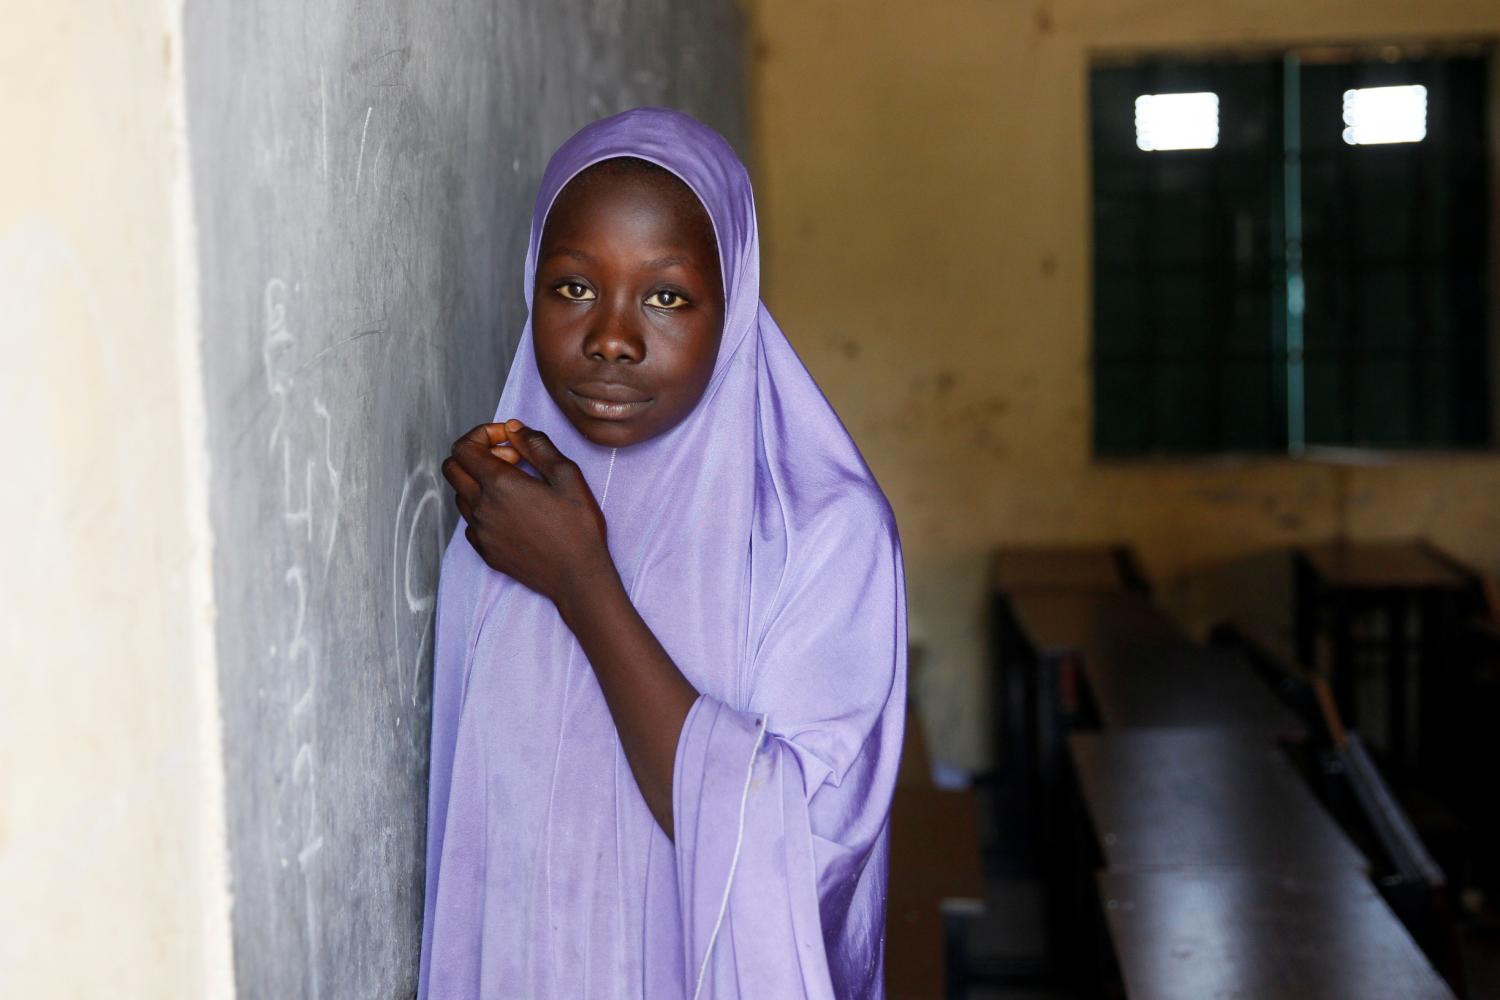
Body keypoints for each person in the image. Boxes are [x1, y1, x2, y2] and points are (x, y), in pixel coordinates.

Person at [420, 107, 906, 999]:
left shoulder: (826, 534)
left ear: (737, 304)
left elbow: (798, 853)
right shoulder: (505, 516)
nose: (612, 337)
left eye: (667, 296)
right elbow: (481, 847)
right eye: (572, 287)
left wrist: (582, 584)